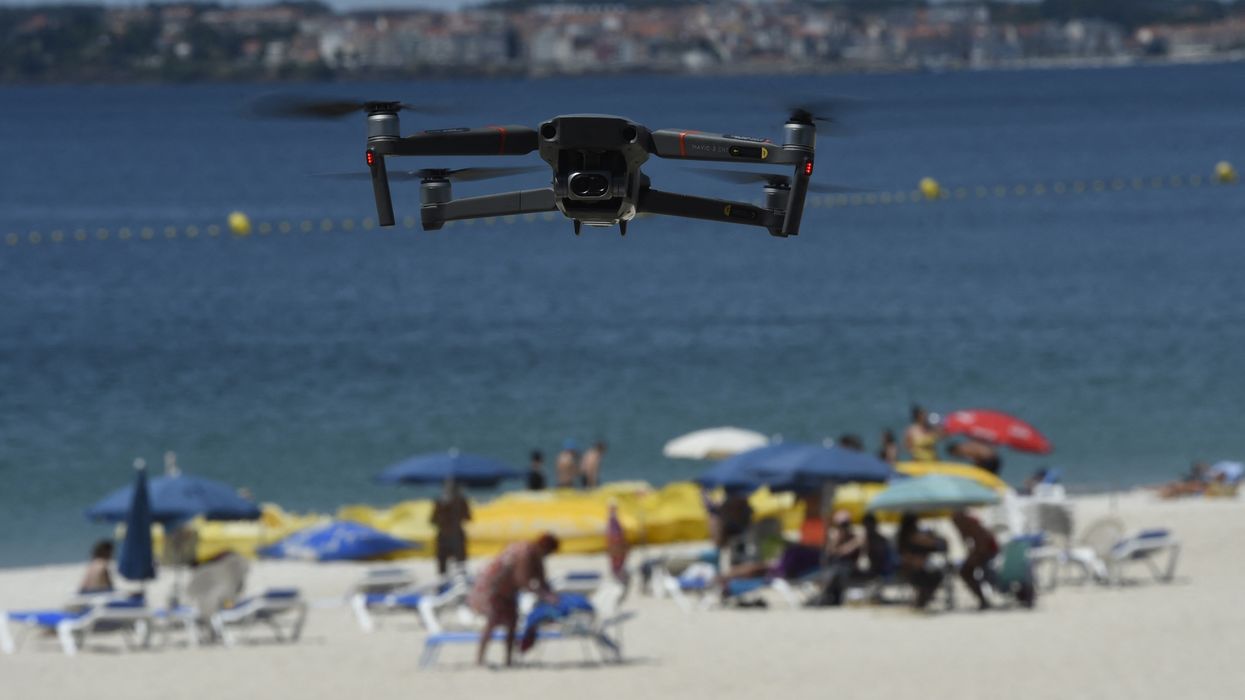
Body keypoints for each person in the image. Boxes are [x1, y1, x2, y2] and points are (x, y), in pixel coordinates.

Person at [469, 533, 560, 667]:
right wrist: (543, 595)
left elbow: (541, 579)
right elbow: (522, 580)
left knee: (512, 622)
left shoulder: (535, 554)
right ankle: (480, 659)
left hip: (507, 591)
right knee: (492, 621)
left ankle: (508, 659)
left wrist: (549, 595)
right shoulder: (524, 552)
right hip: (493, 589)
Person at [896, 512, 947, 610]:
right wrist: (934, 538)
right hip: (914, 570)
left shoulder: (902, 537)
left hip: (908, 570)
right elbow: (933, 543)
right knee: (936, 576)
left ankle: (922, 600)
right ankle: (922, 600)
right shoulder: (912, 536)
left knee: (933, 577)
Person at [815, 510, 865, 606]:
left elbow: (844, 552)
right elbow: (828, 555)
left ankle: (823, 597)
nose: (843, 528)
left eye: (845, 525)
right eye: (840, 525)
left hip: (850, 570)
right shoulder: (834, 538)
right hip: (834, 570)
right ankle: (825, 597)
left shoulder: (856, 538)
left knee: (837, 572)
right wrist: (834, 541)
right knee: (833, 572)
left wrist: (839, 543)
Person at [951, 511, 999, 610]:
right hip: (985, 552)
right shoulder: (966, 523)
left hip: (987, 552)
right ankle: (982, 600)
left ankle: (983, 600)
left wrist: (974, 557)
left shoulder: (970, 523)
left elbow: (982, 544)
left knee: (965, 571)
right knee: (965, 572)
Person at [430, 479, 471, 577]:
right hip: (450, 535)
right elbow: (433, 520)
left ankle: (455, 584)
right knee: (445, 567)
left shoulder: (460, 501)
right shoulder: (441, 502)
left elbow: (468, 517)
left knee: (458, 566)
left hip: (451, 535)